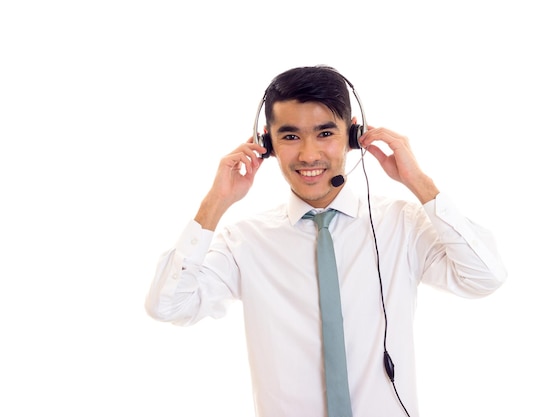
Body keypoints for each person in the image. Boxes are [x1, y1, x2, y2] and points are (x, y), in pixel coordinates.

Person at [145, 65, 507, 417]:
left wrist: (419, 183)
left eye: (325, 133)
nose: (308, 155)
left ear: (352, 136)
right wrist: (214, 203)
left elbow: (485, 276)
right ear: (266, 143)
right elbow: (167, 306)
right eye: (289, 136)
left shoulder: (402, 224)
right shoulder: (245, 242)